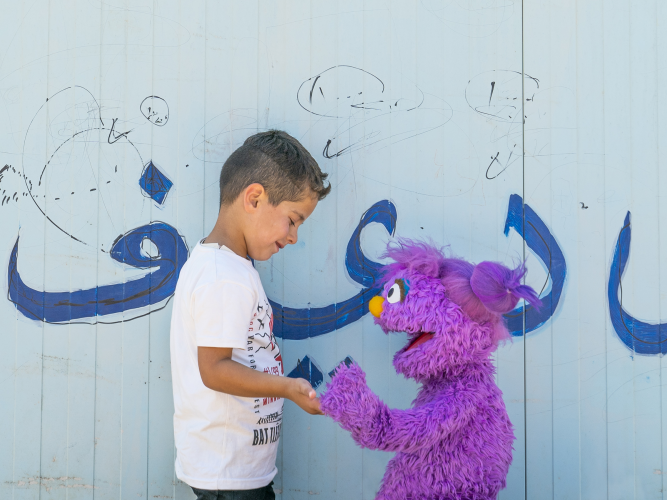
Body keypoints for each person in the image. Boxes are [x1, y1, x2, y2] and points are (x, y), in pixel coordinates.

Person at [170, 130, 330, 500]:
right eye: (293, 219)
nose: (292, 236)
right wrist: (289, 388)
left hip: (234, 472)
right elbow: (214, 369)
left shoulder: (226, 267)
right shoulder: (223, 277)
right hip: (228, 477)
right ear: (254, 198)